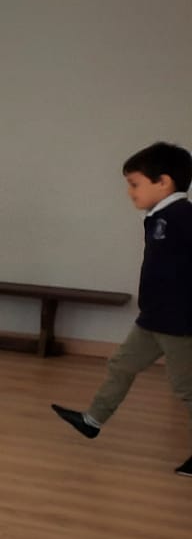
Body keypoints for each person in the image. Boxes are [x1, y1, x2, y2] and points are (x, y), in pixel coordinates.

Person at [52, 142, 192, 476]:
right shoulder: (158, 217)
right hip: (153, 318)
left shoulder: (182, 217)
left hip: (179, 323)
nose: (130, 192)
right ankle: (93, 420)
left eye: (134, 184)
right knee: (121, 364)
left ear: (163, 182)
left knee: (186, 388)